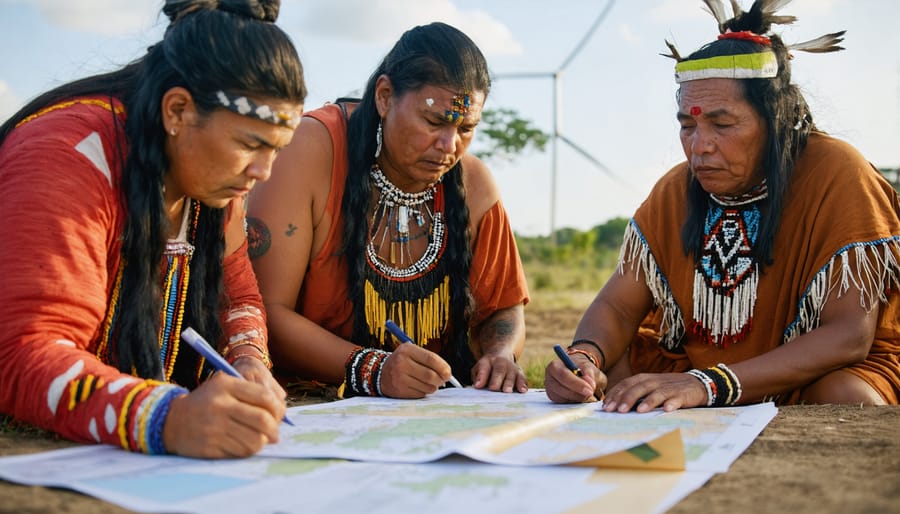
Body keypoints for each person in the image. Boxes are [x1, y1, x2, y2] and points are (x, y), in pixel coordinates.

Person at [545, 0, 900, 411]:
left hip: (811, 372)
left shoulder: (836, 172)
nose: (699, 146)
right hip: (699, 372)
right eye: (687, 125)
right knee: (615, 370)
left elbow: (848, 336)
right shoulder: (675, 190)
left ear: (775, 120)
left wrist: (709, 385)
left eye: (723, 124)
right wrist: (585, 358)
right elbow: (618, 306)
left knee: (845, 398)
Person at [0, 0, 307, 458]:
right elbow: (25, 352)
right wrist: (165, 417)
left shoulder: (216, 182)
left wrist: (248, 360)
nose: (263, 172)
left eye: (277, 150)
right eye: (250, 144)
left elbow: (238, 297)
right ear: (178, 111)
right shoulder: (68, 156)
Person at [248, 22, 529, 399]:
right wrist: (374, 369)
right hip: (308, 401)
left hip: (429, 407)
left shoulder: (473, 184)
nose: (449, 146)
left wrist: (500, 354)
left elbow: (504, 308)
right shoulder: (312, 150)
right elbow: (265, 311)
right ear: (384, 96)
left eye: (466, 128)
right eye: (434, 122)